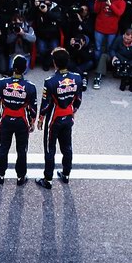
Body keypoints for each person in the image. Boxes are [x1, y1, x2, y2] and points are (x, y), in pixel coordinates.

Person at [36, 46, 82, 188]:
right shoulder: (77, 78)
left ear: (54, 63)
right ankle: (66, 174)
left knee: (50, 149)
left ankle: (48, 179)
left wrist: (40, 118)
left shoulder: (50, 81)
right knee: (67, 146)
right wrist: (73, 111)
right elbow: (78, 99)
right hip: (68, 117)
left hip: (53, 120)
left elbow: (45, 104)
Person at [0, 54, 37, 186]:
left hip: (6, 119)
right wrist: (32, 122)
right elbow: (32, 107)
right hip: (21, 121)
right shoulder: (30, 86)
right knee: (22, 149)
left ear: (13, 67)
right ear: (25, 69)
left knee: (3, 147)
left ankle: (0, 174)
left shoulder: (2, 83)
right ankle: (21, 177)